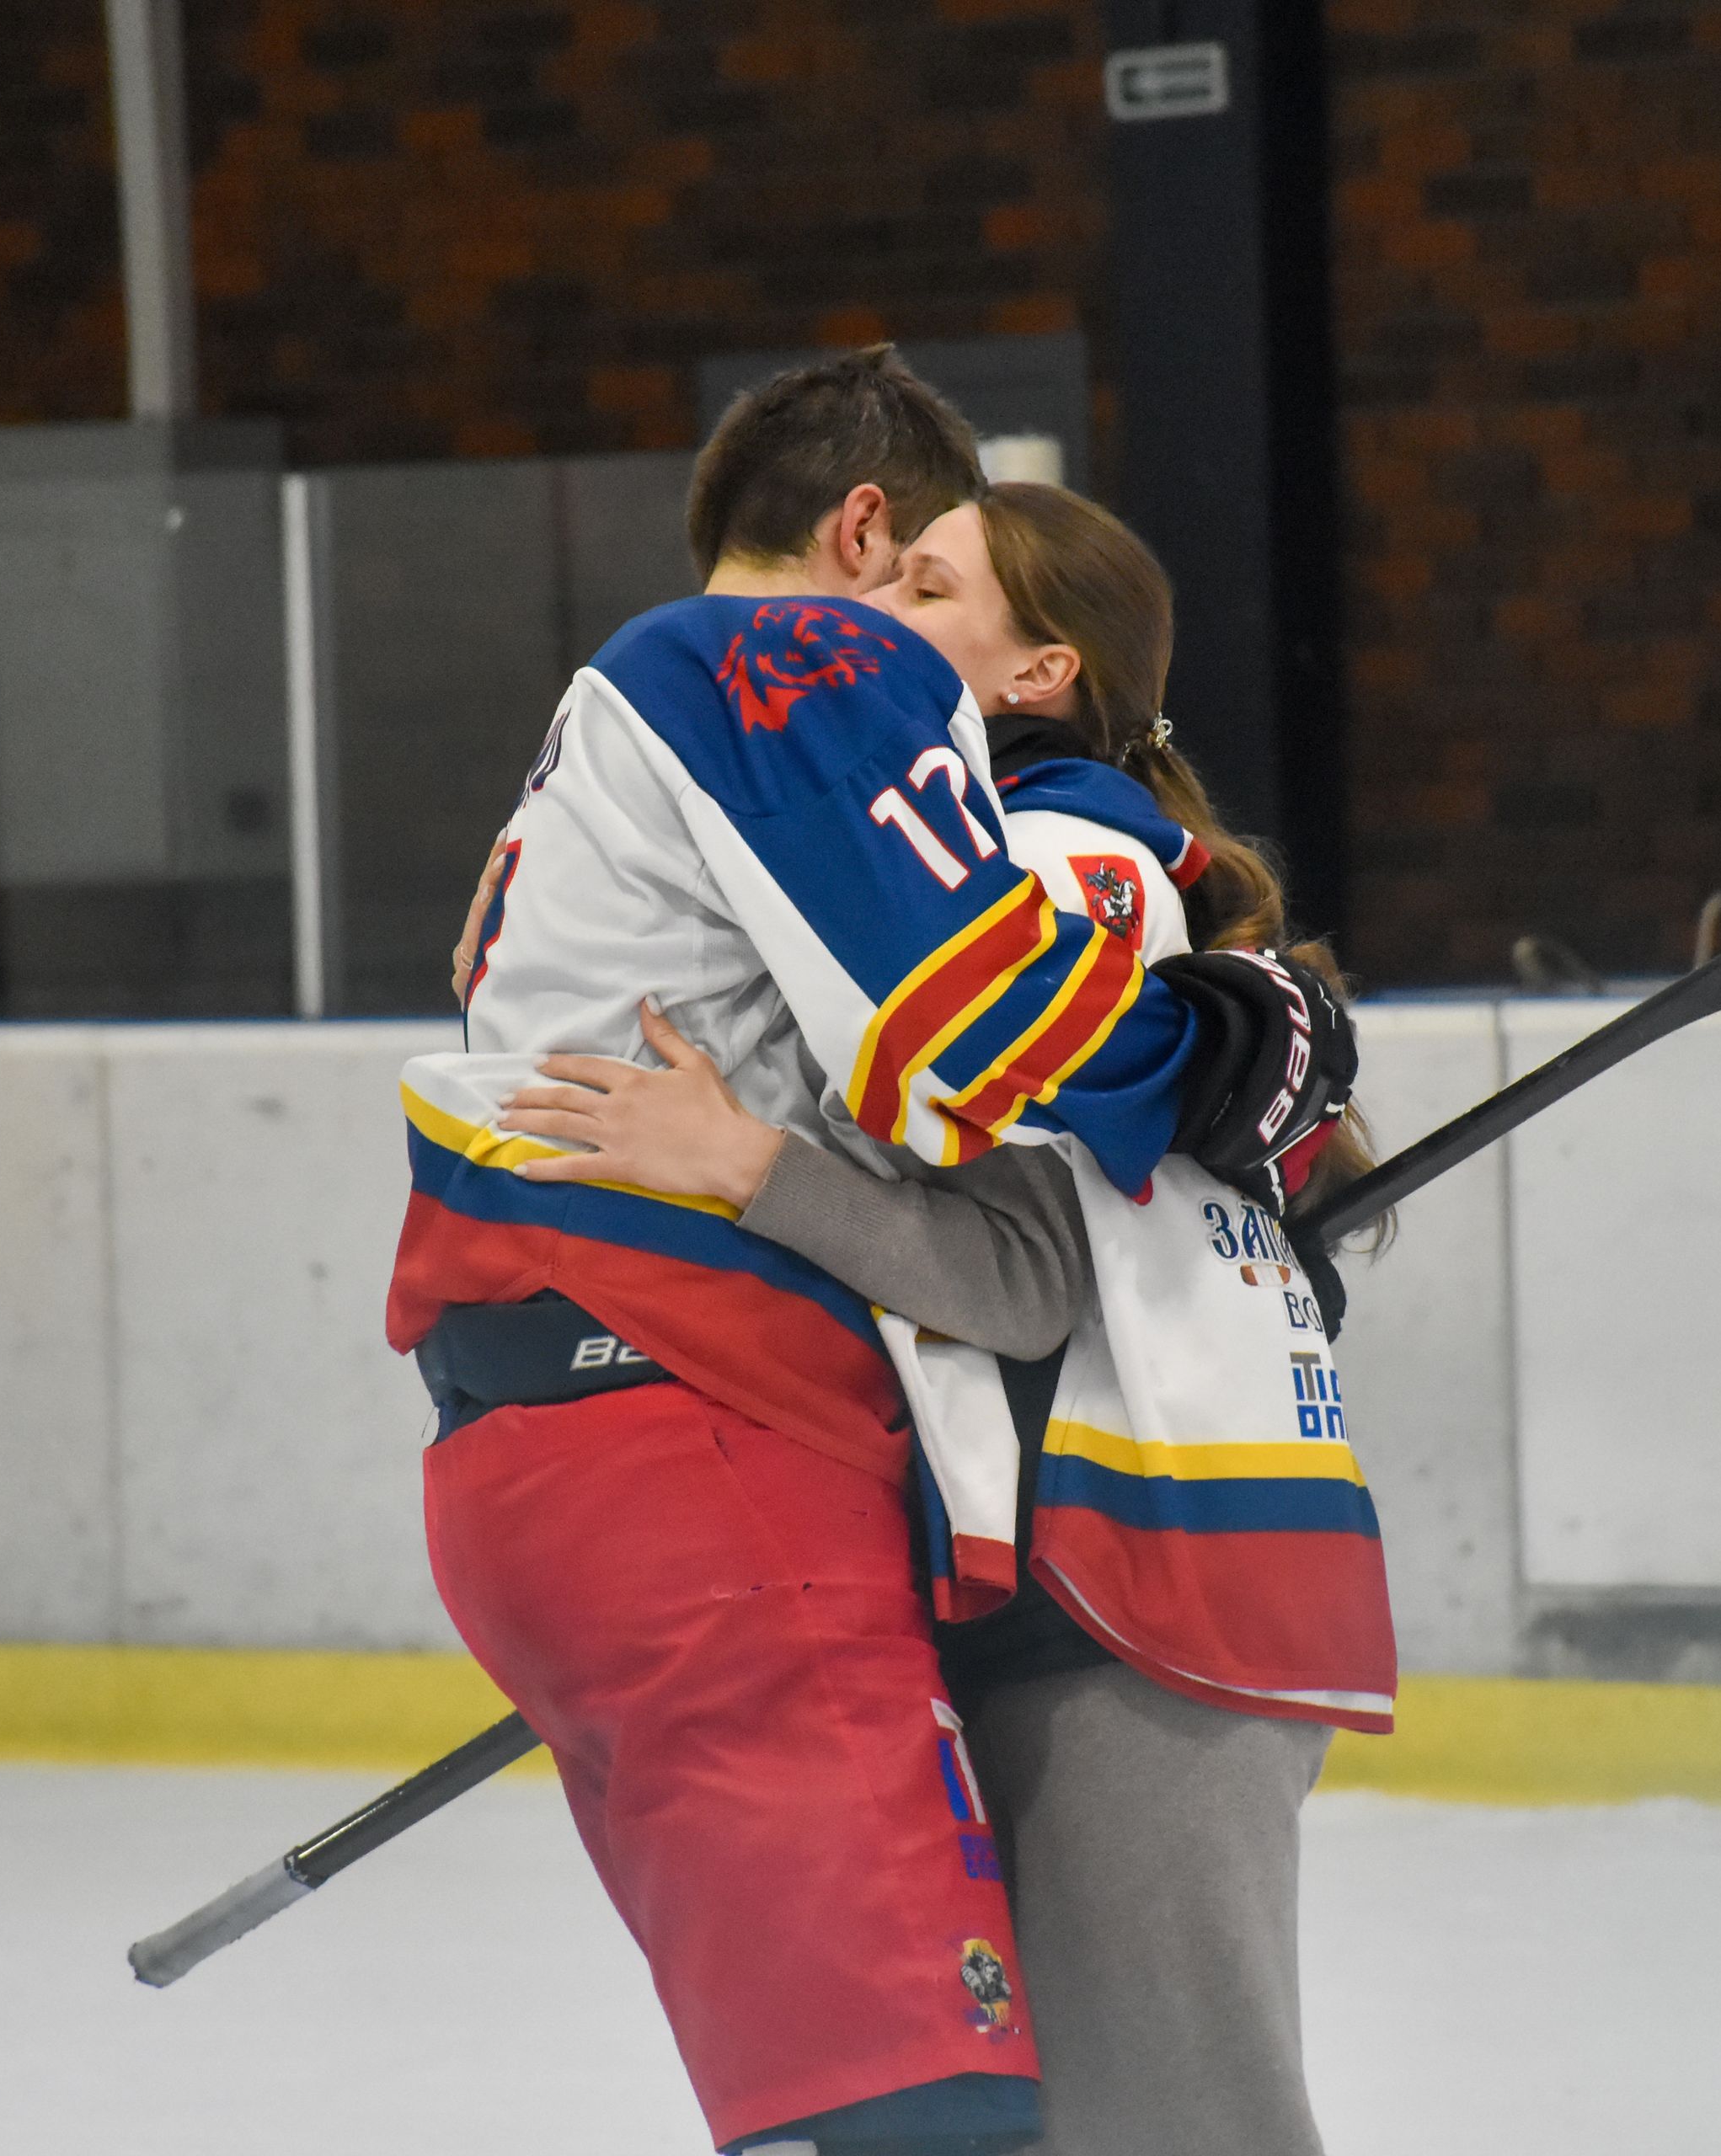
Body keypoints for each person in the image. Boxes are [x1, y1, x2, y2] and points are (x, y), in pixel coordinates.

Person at [391, 350, 1355, 2156]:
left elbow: (1008, 1184)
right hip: (794, 1483)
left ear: (1042, 671)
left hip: (1113, 1569)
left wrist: (1247, 1042)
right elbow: (975, 1047)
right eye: (903, 577)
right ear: (853, 535)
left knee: (1013, 2118)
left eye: (940, 595)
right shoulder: (779, 686)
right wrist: (1240, 1043)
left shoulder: (1046, 842)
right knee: (952, 2112)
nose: (893, 634)